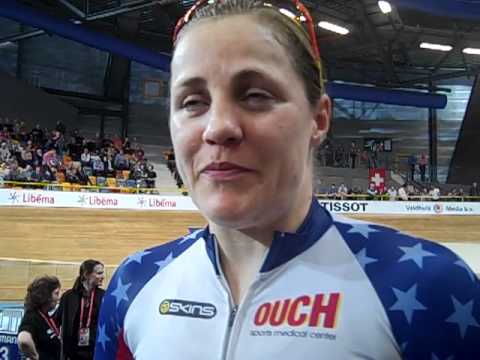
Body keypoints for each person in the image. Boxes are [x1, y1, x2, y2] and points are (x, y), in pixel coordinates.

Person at [95, 1, 480, 359]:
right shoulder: (135, 284)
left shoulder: (432, 287)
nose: (218, 128)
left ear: (320, 118)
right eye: (193, 102)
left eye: (256, 95)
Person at [58, 259, 105, 360]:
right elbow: (57, 321)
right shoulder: (68, 297)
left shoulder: (103, 296)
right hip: (72, 352)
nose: (103, 277)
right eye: (99, 273)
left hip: (95, 351)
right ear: (86, 275)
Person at [17, 276, 61, 360]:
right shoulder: (32, 316)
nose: (58, 298)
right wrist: (35, 356)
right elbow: (23, 339)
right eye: (56, 293)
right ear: (46, 295)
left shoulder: (45, 315)